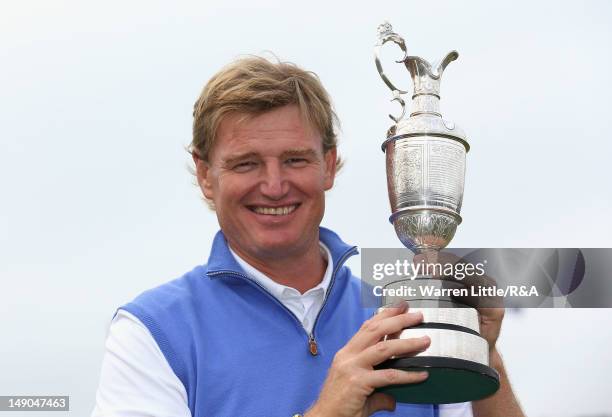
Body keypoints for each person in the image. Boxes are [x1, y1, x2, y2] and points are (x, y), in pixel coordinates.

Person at [91, 56, 525, 417]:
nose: (275, 185)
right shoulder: (151, 332)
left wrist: (481, 354)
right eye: (246, 164)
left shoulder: (405, 320)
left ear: (329, 164)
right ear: (206, 175)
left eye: (295, 160)